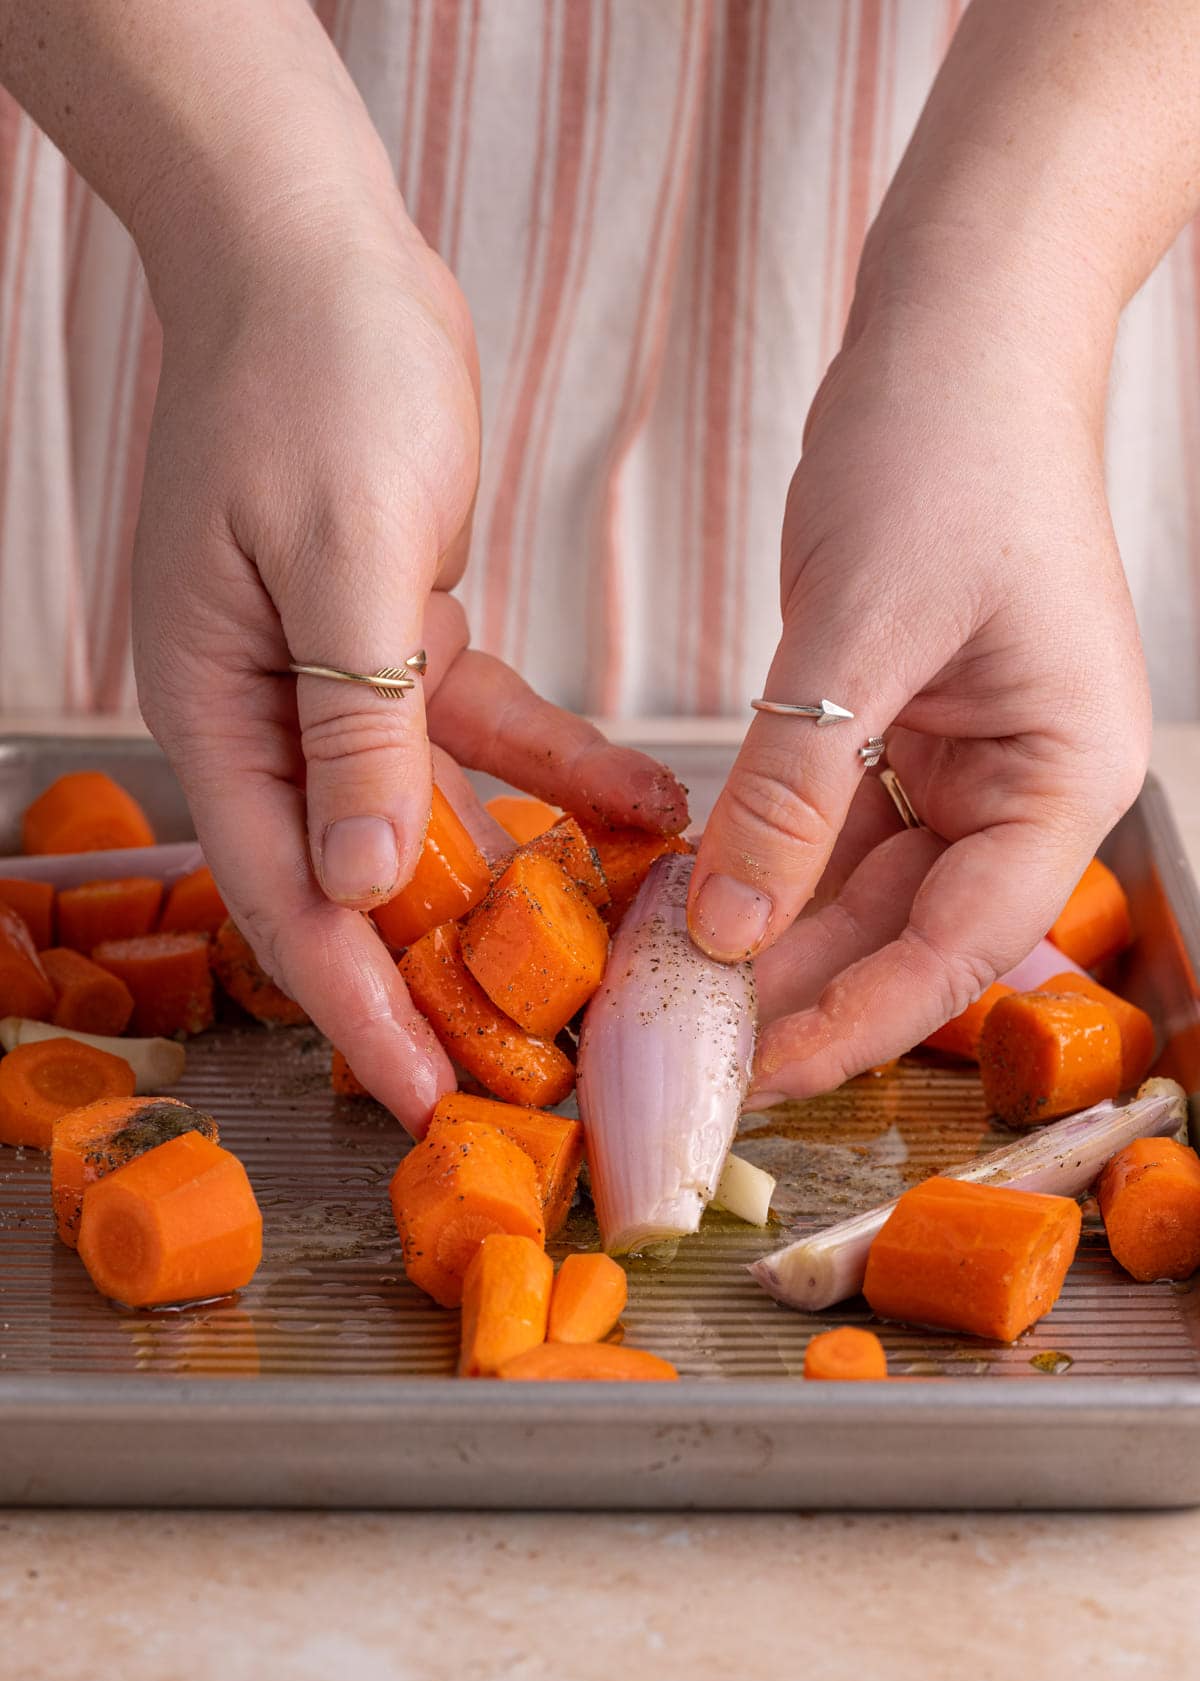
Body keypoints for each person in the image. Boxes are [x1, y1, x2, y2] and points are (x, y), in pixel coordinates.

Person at [0, 1, 1190, 1128]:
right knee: (275, 745)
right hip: (211, 123)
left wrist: (1008, 306)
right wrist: (259, 225)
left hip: (1016, 157)